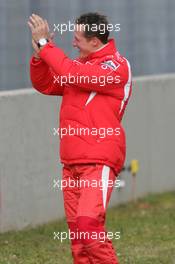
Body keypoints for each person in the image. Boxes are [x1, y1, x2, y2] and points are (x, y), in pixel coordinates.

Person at [28, 12, 132, 264]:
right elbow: (46, 84)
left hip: (98, 161)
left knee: (88, 226)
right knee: (79, 240)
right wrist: (39, 57)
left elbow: (72, 73)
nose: (73, 43)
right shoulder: (79, 66)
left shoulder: (116, 66)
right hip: (72, 162)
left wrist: (46, 45)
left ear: (95, 41)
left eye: (77, 39)